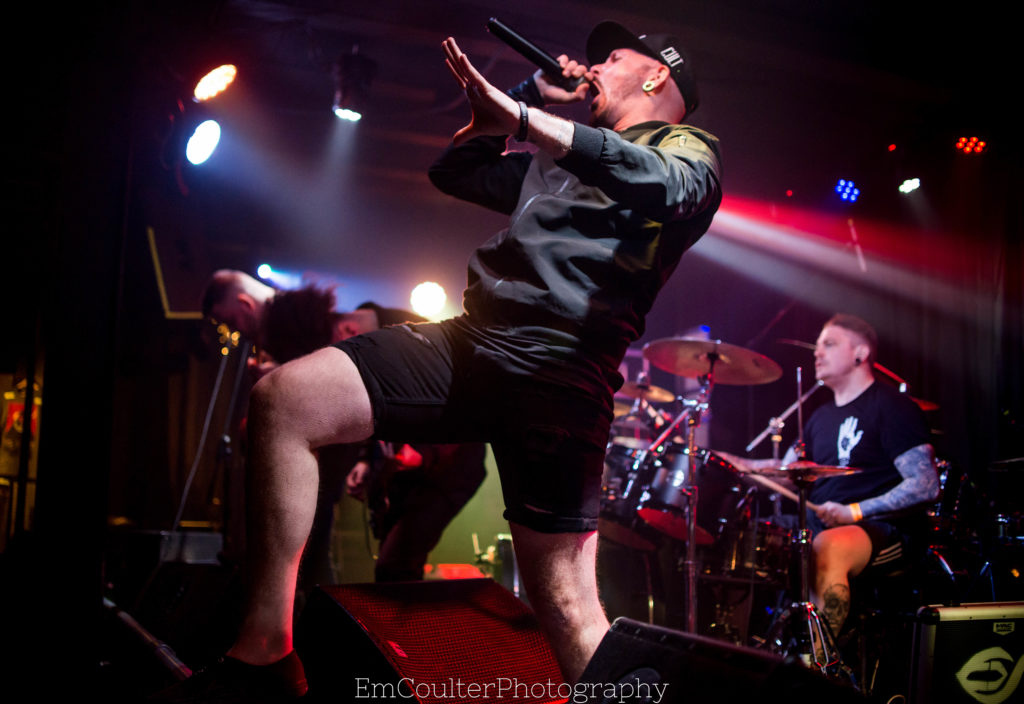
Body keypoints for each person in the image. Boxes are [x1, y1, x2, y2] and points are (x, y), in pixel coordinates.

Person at [161, 19, 721, 701]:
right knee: (285, 400)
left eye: (612, 57)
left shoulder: (685, 149)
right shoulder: (555, 157)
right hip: (474, 339)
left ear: (655, 75)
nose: (595, 66)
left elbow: (660, 182)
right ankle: (266, 654)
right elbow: (456, 169)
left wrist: (527, 117)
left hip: (560, 371)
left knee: (571, 614)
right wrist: (524, 96)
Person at [200, 271, 487, 588]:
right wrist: (367, 461)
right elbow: (378, 412)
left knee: (396, 568)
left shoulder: (401, 339)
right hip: (416, 476)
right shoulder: (369, 352)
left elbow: (449, 413)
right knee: (393, 572)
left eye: (232, 321)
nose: (236, 332)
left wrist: (421, 453)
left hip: (452, 467)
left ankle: (441, 637)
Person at [719, 314, 940, 638]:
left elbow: (925, 485)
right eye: (818, 346)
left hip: (881, 528)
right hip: (823, 521)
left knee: (827, 546)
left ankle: (819, 667)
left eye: (829, 344)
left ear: (860, 353)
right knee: (742, 537)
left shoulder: (893, 406)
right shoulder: (819, 417)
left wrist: (853, 511)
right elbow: (788, 472)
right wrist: (738, 464)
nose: (816, 353)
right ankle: (742, 651)